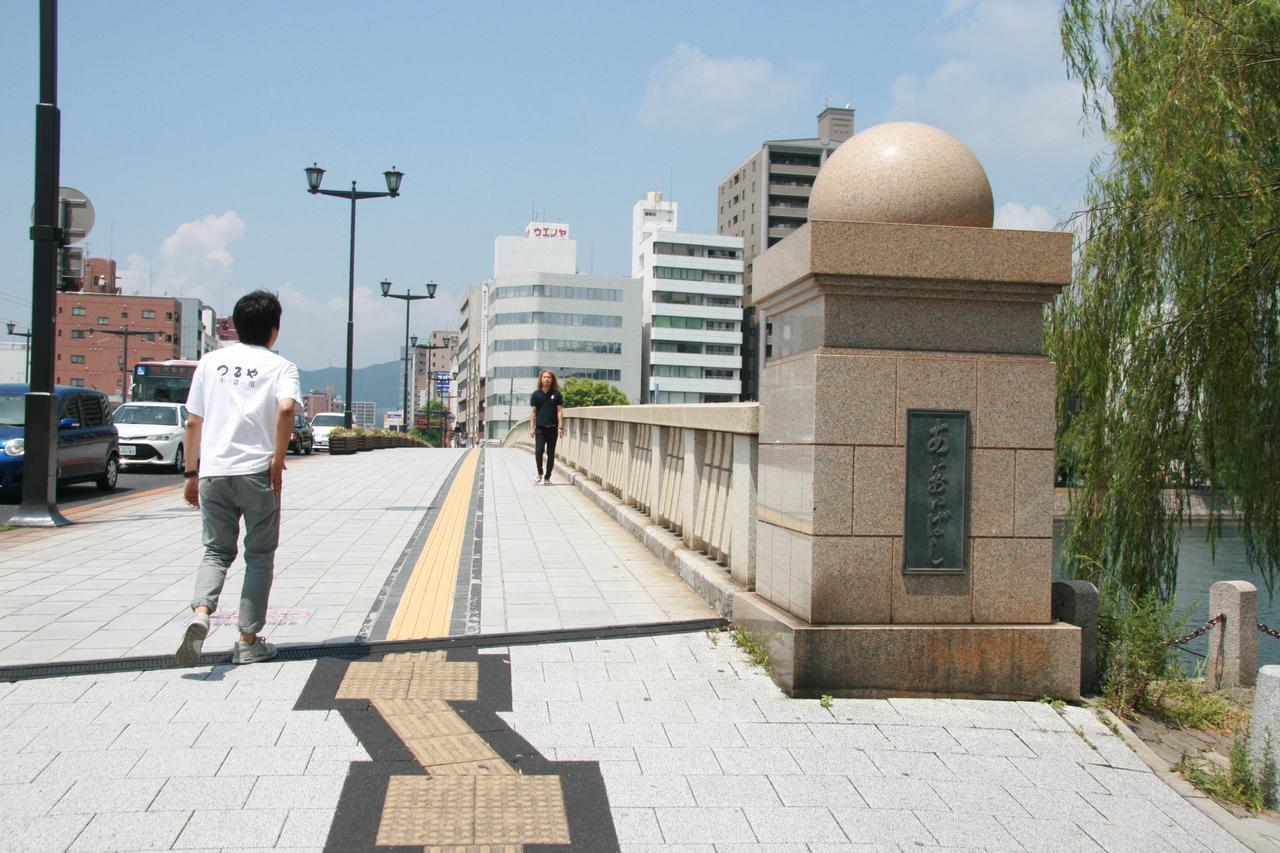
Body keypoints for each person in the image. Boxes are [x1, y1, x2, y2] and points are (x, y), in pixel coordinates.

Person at [175, 290, 301, 666]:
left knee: (216, 551)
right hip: (257, 474)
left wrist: (191, 474)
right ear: (274, 331)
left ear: (236, 324)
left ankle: (201, 613)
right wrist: (277, 459)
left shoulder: (210, 363)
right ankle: (248, 640)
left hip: (213, 472)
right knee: (259, 555)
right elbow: (285, 410)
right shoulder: (281, 367)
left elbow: (193, 421)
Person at [529, 369, 563, 485]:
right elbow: (533, 412)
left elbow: (559, 411)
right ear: (541, 379)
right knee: (538, 452)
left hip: (553, 428)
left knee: (551, 454)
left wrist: (560, 427)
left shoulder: (557, 394)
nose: (547, 379)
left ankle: (547, 477)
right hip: (540, 429)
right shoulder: (536, 394)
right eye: (544, 377)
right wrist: (531, 428)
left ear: (552, 379)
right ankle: (540, 472)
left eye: (549, 377)